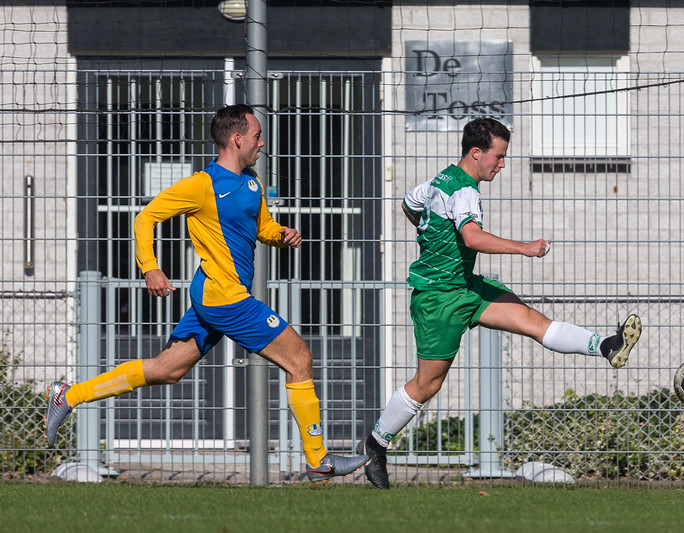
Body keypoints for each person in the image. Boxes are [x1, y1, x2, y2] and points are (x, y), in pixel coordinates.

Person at [44, 104, 367, 482]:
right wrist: (150, 267)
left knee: (165, 370)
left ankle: (69, 395)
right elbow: (144, 218)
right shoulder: (201, 185)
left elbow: (261, 226)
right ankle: (319, 461)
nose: (262, 143)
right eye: (258, 136)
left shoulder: (251, 181)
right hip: (225, 299)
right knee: (300, 359)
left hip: (212, 296)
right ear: (237, 138)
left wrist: (281, 234)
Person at [357, 117, 642, 489]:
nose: (502, 164)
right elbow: (472, 238)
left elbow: (410, 206)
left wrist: (433, 236)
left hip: (467, 287)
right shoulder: (465, 191)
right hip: (439, 299)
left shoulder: (438, 181)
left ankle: (607, 345)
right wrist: (523, 248)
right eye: (499, 156)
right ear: (476, 153)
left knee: (530, 320)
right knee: (427, 386)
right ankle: (376, 444)